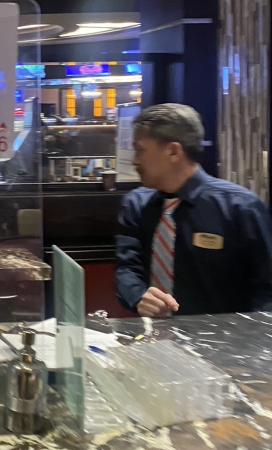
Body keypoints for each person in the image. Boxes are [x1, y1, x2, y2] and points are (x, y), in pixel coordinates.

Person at [115, 103, 272, 316]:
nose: (134, 161)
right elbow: (127, 268)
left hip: (224, 334)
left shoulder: (240, 207)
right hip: (153, 333)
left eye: (140, 150)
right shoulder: (136, 204)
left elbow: (267, 288)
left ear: (173, 151)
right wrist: (138, 297)